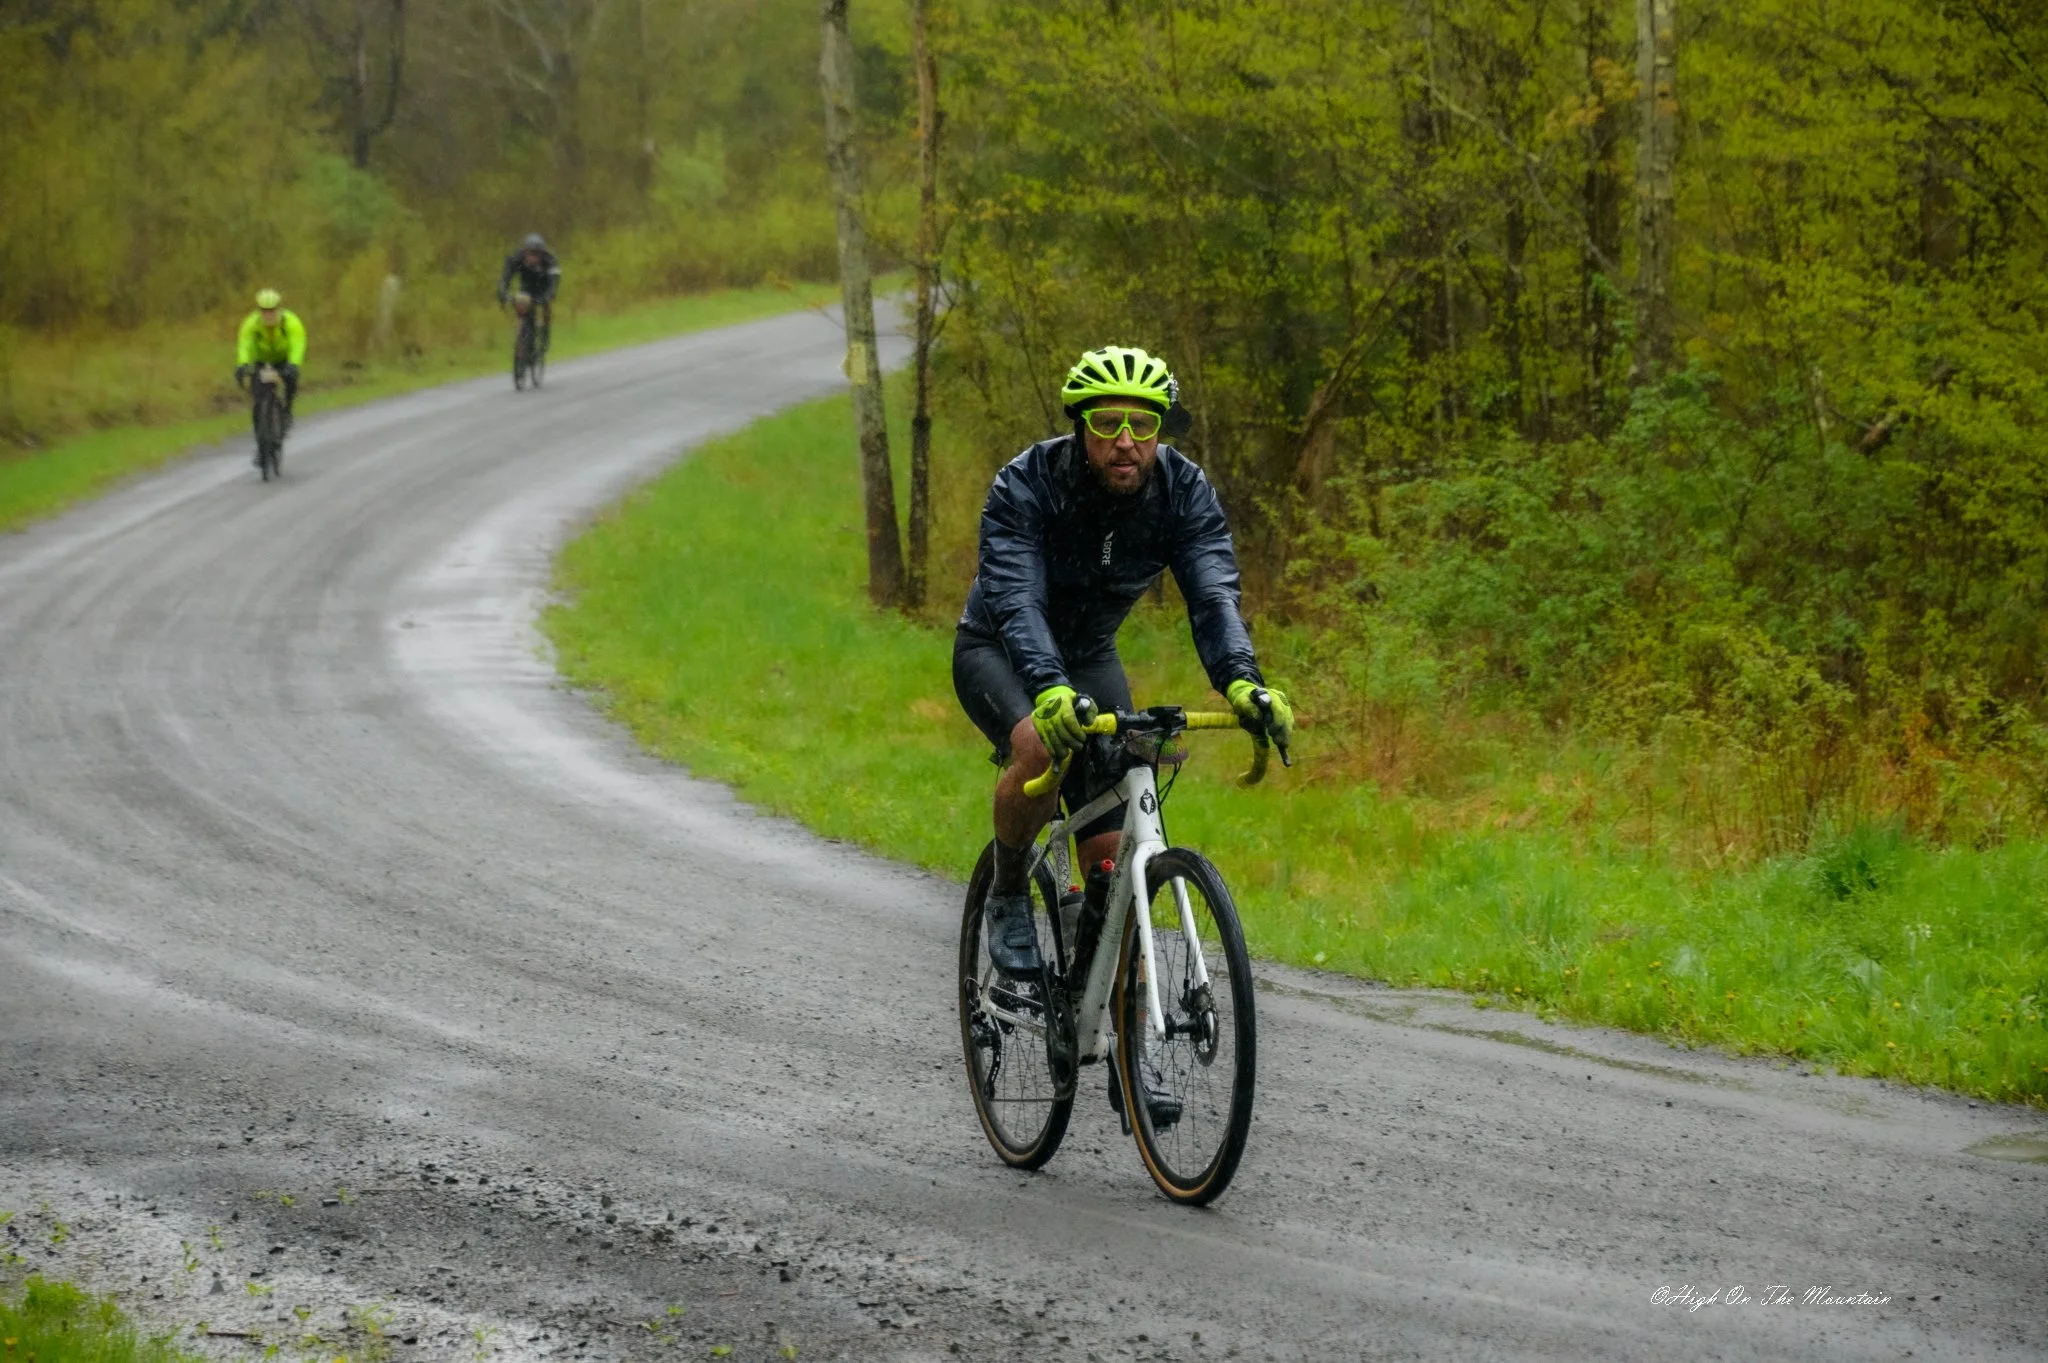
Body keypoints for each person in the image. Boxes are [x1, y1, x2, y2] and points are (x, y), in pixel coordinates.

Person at [954, 345, 1295, 982]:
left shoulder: (1182, 490)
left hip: (1090, 659)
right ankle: (1006, 895)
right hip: (998, 649)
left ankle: (1128, 1041)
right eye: (1107, 423)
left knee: (1116, 869)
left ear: (1160, 430)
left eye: (1143, 425)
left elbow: (1213, 595)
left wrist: (1243, 681)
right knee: (1039, 747)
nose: (1125, 442)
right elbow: (1017, 599)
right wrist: (1047, 687)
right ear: (1080, 426)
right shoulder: (1027, 482)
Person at [234, 288, 307, 457]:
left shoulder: (291, 322)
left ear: (279, 309)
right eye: (265, 311)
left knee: (291, 379)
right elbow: (244, 344)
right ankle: (261, 443)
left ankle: (287, 410)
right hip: (262, 361)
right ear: (259, 311)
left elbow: (298, 343)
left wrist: (294, 364)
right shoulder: (251, 323)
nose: (269, 314)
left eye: (272, 310)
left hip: (284, 360)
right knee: (258, 400)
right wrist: (242, 365)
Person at [496, 232, 561, 352]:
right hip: (526, 287)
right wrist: (503, 292)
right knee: (522, 307)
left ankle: (545, 334)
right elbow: (506, 277)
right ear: (525, 252)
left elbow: (554, 282)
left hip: (543, 286)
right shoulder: (517, 258)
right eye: (530, 253)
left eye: (536, 254)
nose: (532, 257)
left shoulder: (550, 260)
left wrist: (549, 295)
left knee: (546, 305)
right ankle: (521, 337)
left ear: (541, 254)